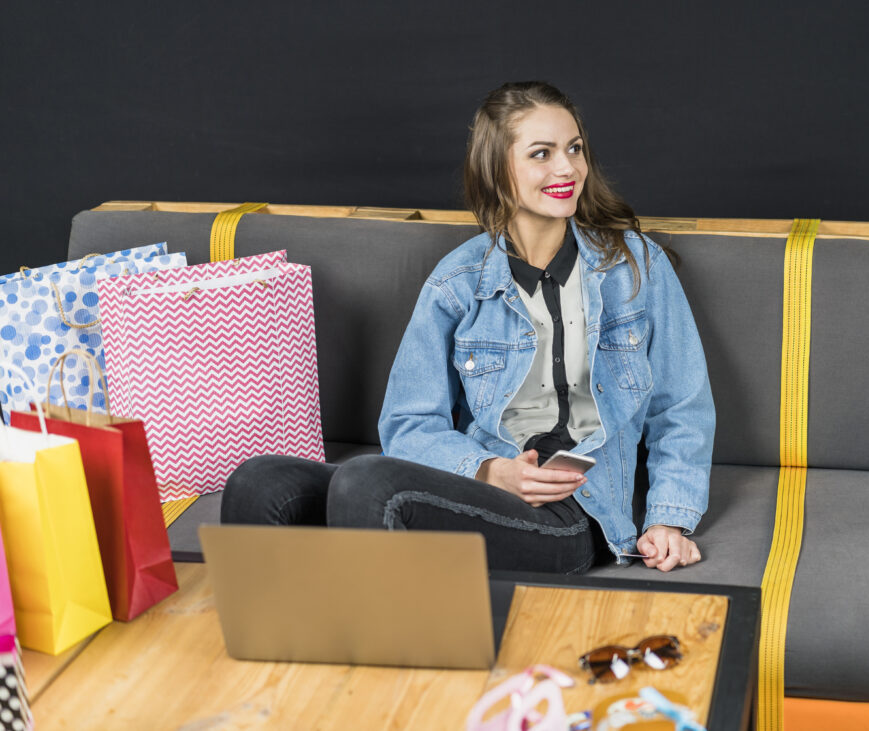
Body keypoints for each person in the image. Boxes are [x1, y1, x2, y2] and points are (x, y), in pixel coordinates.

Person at [221, 81, 715, 574]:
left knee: (369, 483)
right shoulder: (457, 283)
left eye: (574, 148)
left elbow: (682, 407)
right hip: (482, 485)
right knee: (261, 481)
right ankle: (281, 642)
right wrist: (490, 471)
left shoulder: (634, 265)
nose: (567, 168)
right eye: (541, 154)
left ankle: (369, 641)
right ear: (497, 168)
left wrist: (669, 519)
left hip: (576, 507)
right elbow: (408, 423)